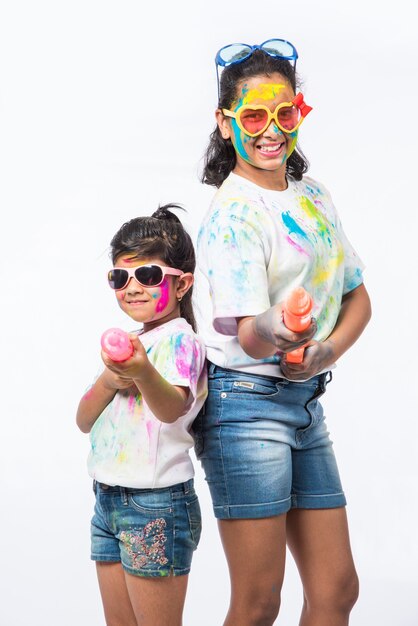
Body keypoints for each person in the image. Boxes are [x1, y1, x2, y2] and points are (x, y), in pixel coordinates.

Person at [193, 39, 372, 626]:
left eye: (284, 112)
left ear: (300, 112)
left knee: (337, 589)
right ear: (225, 124)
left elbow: (358, 297)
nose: (271, 129)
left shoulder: (314, 196)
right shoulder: (234, 213)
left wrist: (323, 351)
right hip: (244, 408)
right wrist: (278, 324)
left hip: (305, 404)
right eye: (253, 115)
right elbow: (248, 337)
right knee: (258, 600)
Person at [76, 205, 207, 626]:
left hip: (155, 503)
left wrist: (142, 371)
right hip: (107, 499)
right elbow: (83, 420)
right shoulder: (130, 345)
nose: (132, 287)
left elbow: (172, 408)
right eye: (120, 277)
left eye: (148, 275)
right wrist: (112, 380)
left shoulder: (181, 342)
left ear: (182, 283)